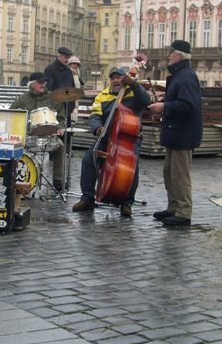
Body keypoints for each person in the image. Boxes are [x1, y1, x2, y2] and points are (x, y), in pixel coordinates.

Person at [72, 67, 151, 217]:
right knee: (89, 159)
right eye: (113, 78)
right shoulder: (103, 95)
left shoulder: (134, 92)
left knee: (131, 168)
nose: (116, 80)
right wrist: (97, 128)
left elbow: (147, 101)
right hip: (107, 136)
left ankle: (126, 202)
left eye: (119, 77)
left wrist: (134, 84)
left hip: (129, 138)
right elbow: (95, 115)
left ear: (124, 79)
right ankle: (88, 198)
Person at [148, 40, 203, 226]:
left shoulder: (186, 76)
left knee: (180, 175)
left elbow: (188, 105)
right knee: (169, 172)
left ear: (179, 55)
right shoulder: (180, 74)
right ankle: (173, 207)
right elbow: (181, 99)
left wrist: (164, 106)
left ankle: (183, 212)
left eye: (171, 52)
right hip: (175, 132)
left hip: (183, 133)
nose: (168, 55)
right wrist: (167, 99)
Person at [10, 72, 66, 191]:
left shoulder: (53, 97)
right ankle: (17, 179)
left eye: (44, 82)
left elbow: (61, 117)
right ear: (32, 84)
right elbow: (12, 113)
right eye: (40, 82)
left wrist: (60, 127)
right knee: (14, 147)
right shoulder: (23, 98)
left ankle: (58, 180)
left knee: (61, 147)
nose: (43, 84)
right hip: (28, 136)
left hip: (48, 136)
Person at [44, 46, 76, 126]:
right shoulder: (50, 69)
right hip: (55, 109)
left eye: (69, 57)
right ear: (59, 56)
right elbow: (49, 88)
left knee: (67, 135)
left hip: (67, 109)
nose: (67, 60)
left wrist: (72, 106)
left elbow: (73, 88)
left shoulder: (68, 71)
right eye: (66, 57)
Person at [67, 55, 85, 123]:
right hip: (70, 93)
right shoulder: (68, 72)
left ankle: (73, 120)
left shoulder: (77, 73)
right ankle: (70, 120)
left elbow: (80, 83)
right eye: (74, 63)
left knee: (75, 107)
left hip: (76, 93)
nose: (75, 65)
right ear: (70, 64)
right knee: (71, 108)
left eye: (77, 64)